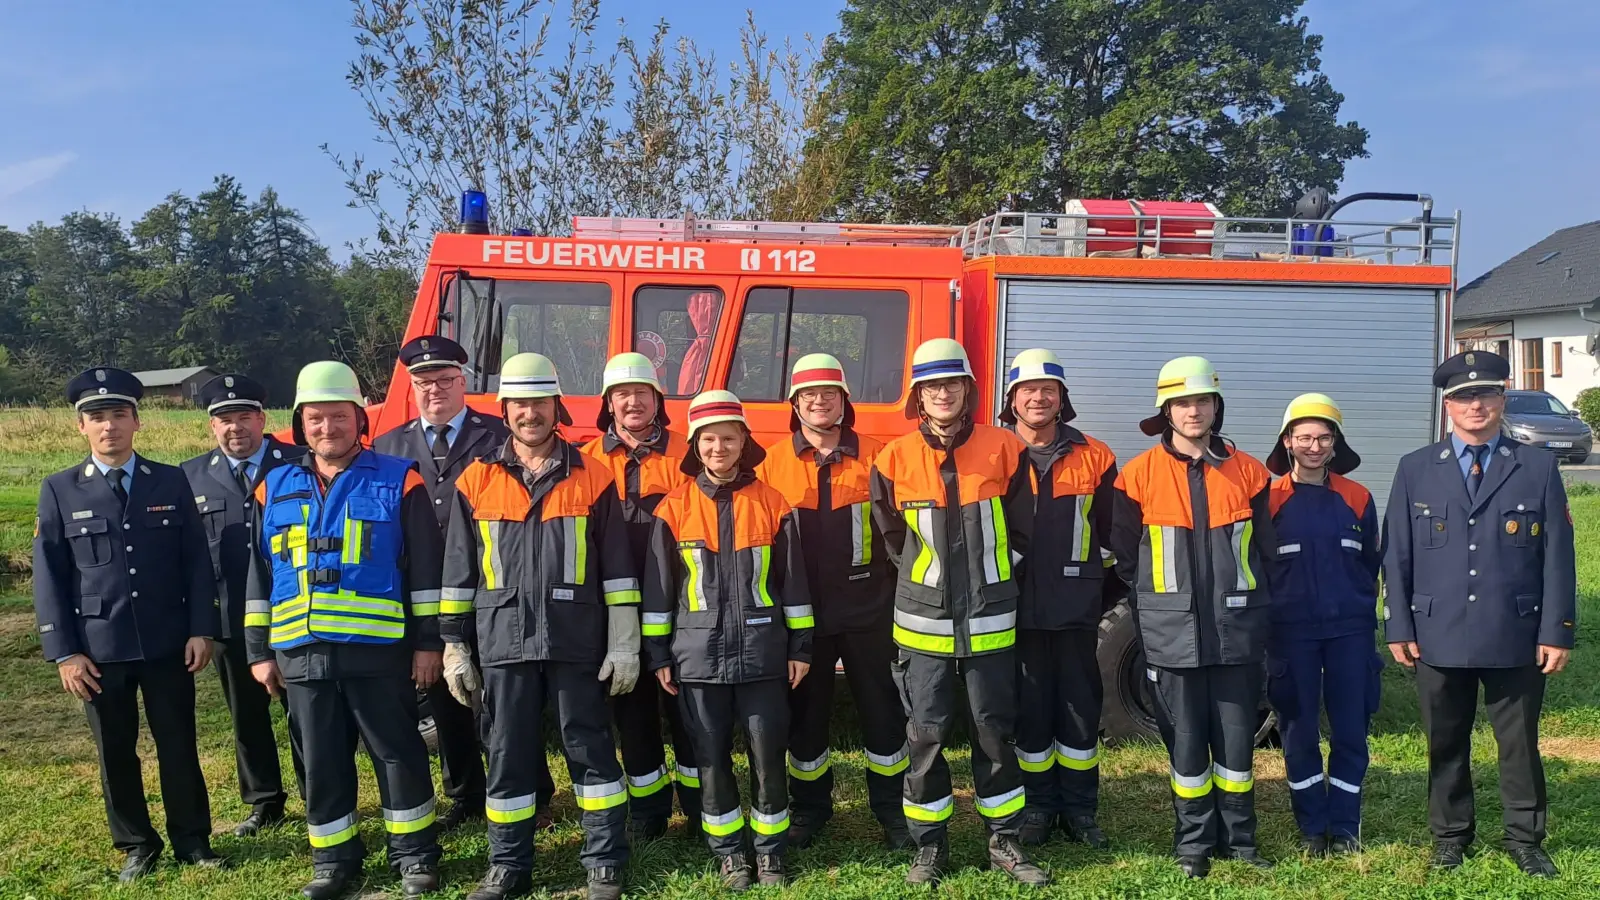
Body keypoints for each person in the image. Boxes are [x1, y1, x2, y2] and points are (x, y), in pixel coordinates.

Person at [440, 353, 637, 900]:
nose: (531, 413)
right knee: (506, 755)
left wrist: (624, 641)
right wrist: (455, 644)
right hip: (502, 640)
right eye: (520, 403)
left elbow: (617, 569)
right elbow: (458, 574)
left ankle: (603, 862)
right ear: (505, 410)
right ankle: (508, 867)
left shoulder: (594, 476)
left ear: (558, 408)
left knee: (591, 748)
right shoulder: (475, 480)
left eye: (540, 403)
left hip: (577, 639)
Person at [245, 361, 445, 899]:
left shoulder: (400, 479)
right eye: (316, 418)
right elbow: (261, 576)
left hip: (378, 649)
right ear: (298, 423)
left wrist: (428, 643)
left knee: (397, 753)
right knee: (321, 760)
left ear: (361, 420)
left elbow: (426, 574)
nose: (327, 428)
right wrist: (259, 651)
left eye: (338, 417)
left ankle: (415, 856)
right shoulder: (272, 488)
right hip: (300, 652)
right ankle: (334, 862)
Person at [1383, 350, 1575, 878]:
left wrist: (1556, 630)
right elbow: (1396, 553)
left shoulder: (1536, 466)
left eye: (1485, 394)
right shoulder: (1416, 469)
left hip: (1513, 631)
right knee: (1445, 740)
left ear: (1502, 399)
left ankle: (1525, 838)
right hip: (1437, 632)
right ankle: (1450, 835)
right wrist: (1398, 623)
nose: (1475, 405)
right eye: (1463, 396)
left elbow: (1557, 554)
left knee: (1518, 744)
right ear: (1448, 406)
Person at [33, 367, 222, 881]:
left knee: (178, 744)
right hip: (98, 649)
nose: (108, 426)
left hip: (166, 643)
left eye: (118, 415)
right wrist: (65, 652)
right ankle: (137, 843)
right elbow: (49, 577)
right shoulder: (60, 490)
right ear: (81, 428)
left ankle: (192, 839)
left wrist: (201, 628)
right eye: (96, 417)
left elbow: (195, 563)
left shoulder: (171, 480)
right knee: (115, 751)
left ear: (137, 421)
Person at [870, 338, 1047, 887]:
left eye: (952, 384)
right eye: (932, 385)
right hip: (922, 622)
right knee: (925, 734)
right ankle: (929, 846)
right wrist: (931, 582)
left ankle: (1005, 841)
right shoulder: (893, 457)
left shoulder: (1003, 448)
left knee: (994, 731)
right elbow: (891, 536)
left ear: (968, 390)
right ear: (919, 395)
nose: (943, 393)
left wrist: (992, 576)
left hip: (990, 619)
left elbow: (1024, 524)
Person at [1110, 356, 1275, 879]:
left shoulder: (1249, 473)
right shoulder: (1136, 477)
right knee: (1185, 746)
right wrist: (1156, 615)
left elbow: (1264, 556)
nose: (1193, 410)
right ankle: (1194, 843)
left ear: (1216, 406)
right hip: (1170, 634)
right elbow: (1127, 561)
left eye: (1201, 400)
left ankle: (1241, 841)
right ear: (1166, 411)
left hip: (1236, 633)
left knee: (1235, 745)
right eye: (1182, 402)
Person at [642, 391, 813, 891]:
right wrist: (658, 655)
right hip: (697, 660)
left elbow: (793, 586)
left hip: (764, 656)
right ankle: (729, 854)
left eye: (729, 439)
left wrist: (801, 647)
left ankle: (769, 851)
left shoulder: (774, 503)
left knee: (768, 755)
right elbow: (659, 594)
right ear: (696, 446)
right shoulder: (673, 509)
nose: (719, 448)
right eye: (709, 440)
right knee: (711, 759)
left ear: (745, 443)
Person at [372, 335, 539, 833]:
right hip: (425, 589)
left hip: (493, 587)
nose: (434, 391)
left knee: (505, 699)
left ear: (463, 383)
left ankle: (531, 789)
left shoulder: (497, 438)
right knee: (445, 695)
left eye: (445, 380)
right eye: (423, 383)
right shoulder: (389, 447)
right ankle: (465, 792)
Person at [755, 354, 910, 850]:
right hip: (804, 616)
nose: (819, 401)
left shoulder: (880, 456)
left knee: (884, 713)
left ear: (845, 400)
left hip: (870, 610)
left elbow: (901, 534)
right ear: (795, 405)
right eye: (808, 395)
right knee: (806, 716)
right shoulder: (769, 462)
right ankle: (811, 809)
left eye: (828, 393)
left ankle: (893, 811)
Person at [1000, 348, 1119, 851]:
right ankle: (1038, 808)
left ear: (1062, 398)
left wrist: (1098, 591)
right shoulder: (994, 453)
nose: (1038, 398)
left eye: (1048, 390)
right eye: (1028, 390)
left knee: (1078, 712)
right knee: (1029, 713)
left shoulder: (1096, 455)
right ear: (1012, 400)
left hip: (1074, 612)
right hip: (1014, 610)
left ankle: (1081, 810)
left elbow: (1115, 535)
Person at [180, 373, 308, 837]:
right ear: (212, 426)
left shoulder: (298, 462)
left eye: (244, 418)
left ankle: (318, 794)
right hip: (232, 617)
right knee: (247, 716)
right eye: (224, 420)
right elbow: (189, 560)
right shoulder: (189, 477)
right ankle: (263, 801)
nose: (236, 428)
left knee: (305, 712)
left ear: (263, 419)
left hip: (297, 611)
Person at [580, 352, 701, 841]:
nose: (632, 402)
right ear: (608, 403)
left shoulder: (687, 455)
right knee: (631, 712)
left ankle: (700, 807)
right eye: (622, 394)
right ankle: (649, 812)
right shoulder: (586, 460)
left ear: (658, 400)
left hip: (683, 601)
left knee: (688, 709)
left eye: (642, 393)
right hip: (617, 608)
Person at [1262, 393, 1382, 856]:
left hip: (1350, 633)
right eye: (1304, 437)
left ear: (1336, 444)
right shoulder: (1269, 499)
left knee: (1351, 730)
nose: (1314, 446)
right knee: (1299, 729)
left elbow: (1371, 565)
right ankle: (1313, 826)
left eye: (1324, 437)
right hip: (1290, 635)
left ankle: (1346, 825)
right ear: (1288, 441)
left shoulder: (1358, 497)